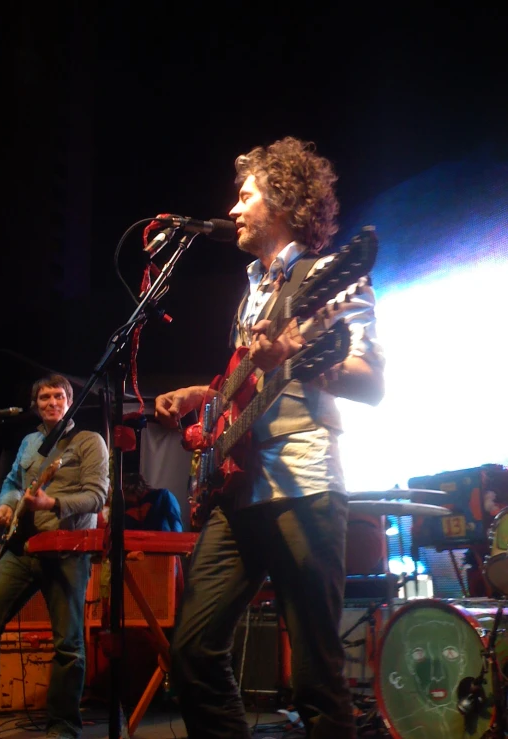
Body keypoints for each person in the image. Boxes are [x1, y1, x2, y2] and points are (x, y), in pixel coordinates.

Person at [154, 136, 385, 738]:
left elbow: (371, 384)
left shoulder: (331, 278)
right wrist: (201, 399)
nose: (233, 209)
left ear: (281, 202)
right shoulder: (253, 286)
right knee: (194, 653)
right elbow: (245, 384)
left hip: (303, 486)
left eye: (245, 194)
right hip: (237, 495)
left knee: (316, 679)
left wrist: (304, 354)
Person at [0, 374, 110, 739]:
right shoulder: (29, 442)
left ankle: (63, 725)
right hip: (22, 546)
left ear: (70, 401)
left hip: (67, 549)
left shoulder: (90, 442)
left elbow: (96, 496)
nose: (51, 402)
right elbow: (11, 483)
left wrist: (52, 503)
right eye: (44, 397)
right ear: (35, 405)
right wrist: (6, 508)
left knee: (68, 643)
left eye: (58, 396)